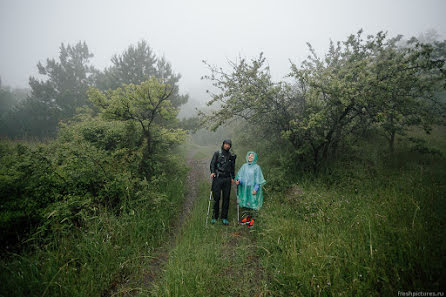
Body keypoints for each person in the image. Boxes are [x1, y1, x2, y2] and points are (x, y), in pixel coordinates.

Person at [235, 151, 266, 228]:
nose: (250, 157)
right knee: (245, 202)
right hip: (244, 189)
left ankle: (253, 219)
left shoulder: (257, 167)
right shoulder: (244, 166)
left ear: (254, 158)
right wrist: (239, 181)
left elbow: (258, 179)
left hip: (253, 188)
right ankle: (246, 217)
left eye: (252, 156)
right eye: (249, 156)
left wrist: (255, 189)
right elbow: (240, 176)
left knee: (253, 203)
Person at [210, 139, 236, 225]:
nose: (227, 146)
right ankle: (215, 216)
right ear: (223, 144)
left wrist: (233, 177)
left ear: (230, 146)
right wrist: (212, 172)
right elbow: (212, 164)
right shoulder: (217, 153)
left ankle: (224, 217)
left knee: (226, 198)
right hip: (217, 178)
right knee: (216, 197)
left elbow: (232, 167)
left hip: (227, 179)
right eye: (226, 144)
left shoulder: (231, 155)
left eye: (228, 145)